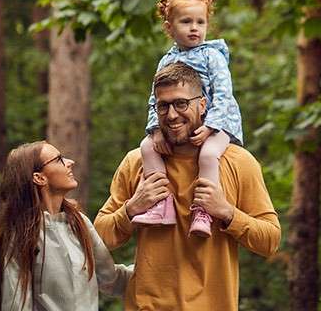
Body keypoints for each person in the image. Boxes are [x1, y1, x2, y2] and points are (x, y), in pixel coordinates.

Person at [94, 62, 280, 311]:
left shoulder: (237, 162)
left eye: (181, 103)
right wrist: (132, 208)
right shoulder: (136, 161)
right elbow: (99, 237)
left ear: (202, 105)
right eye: (163, 106)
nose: (171, 115)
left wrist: (226, 212)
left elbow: (270, 241)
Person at [132, 0, 244, 238]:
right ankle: (161, 204)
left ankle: (203, 210)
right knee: (147, 148)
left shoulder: (211, 55)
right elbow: (156, 99)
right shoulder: (166, 61)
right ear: (169, 28)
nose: (195, 28)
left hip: (220, 123)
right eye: (186, 22)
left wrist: (211, 126)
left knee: (208, 154)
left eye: (200, 22)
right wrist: (156, 130)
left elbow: (225, 94)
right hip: (179, 126)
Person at [0, 141, 131, 311]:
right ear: (39, 178)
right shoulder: (18, 237)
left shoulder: (79, 223)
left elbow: (113, 279)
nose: (70, 162)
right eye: (59, 159)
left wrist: (159, 264)